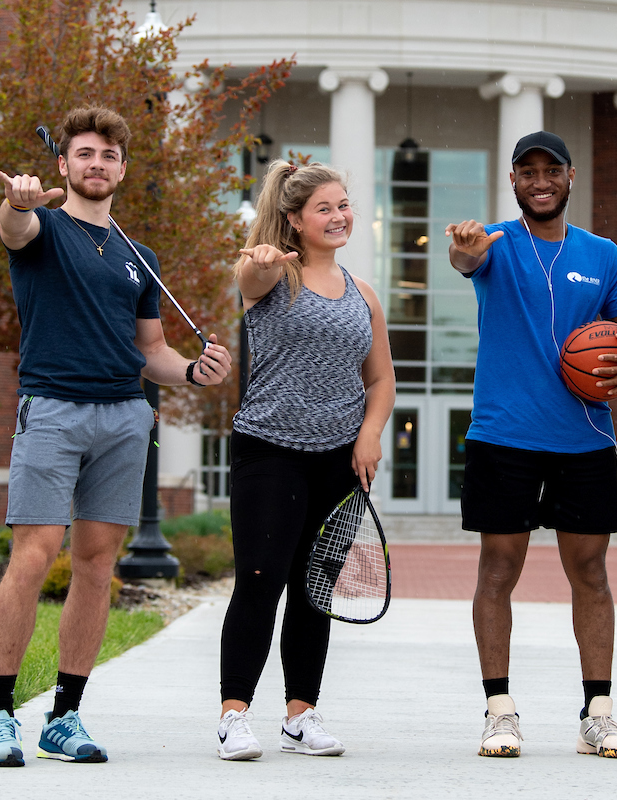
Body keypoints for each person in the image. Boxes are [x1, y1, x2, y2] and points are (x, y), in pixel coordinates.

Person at [0, 105, 231, 767]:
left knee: (95, 569)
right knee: (33, 556)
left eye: (108, 156)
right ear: (63, 163)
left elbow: (153, 351)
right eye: (84, 154)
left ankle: (65, 715)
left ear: (122, 169)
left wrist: (196, 372)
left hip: (124, 416)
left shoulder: (136, 257)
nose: (97, 165)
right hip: (53, 409)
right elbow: (13, 228)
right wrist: (18, 201)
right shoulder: (44, 228)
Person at [445, 131, 617, 759]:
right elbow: (464, 262)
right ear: (513, 181)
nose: (540, 180)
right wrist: (461, 250)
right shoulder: (492, 243)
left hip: (583, 437)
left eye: (551, 170)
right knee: (498, 569)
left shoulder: (603, 255)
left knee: (590, 572)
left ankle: (599, 712)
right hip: (503, 434)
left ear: (571, 178)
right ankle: (499, 709)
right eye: (527, 171)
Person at [215, 160, 395, 761]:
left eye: (344, 205)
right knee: (259, 583)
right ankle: (233, 716)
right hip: (269, 453)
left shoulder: (363, 294)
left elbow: (381, 381)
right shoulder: (270, 278)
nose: (340, 216)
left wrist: (369, 437)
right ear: (294, 219)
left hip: (337, 463)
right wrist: (260, 262)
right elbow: (249, 275)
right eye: (325, 207)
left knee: (313, 592)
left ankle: (300, 715)